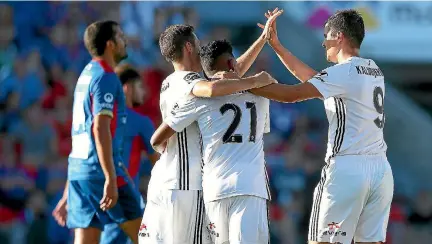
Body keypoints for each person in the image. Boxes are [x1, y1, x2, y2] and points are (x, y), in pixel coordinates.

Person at [244, 8, 393, 244]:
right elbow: (314, 79)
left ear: (339, 36)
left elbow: (292, 95)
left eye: (326, 35)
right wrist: (278, 47)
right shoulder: (372, 68)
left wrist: (242, 85)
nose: (323, 43)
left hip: (347, 168)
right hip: (380, 171)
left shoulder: (343, 72)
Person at [139, 14, 280, 244]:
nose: (200, 44)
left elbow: (230, 77)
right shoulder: (192, 86)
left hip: (165, 181)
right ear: (188, 46)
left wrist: (262, 40)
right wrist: (256, 81)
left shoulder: (171, 81)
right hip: (186, 184)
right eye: (197, 41)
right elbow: (216, 88)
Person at [51, 20, 142, 244]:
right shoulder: (107, 77)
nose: (125, 40)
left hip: (80, 174)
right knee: (150, 236)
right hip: (103, 174)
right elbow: (99, 128)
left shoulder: (85, 75)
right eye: (121, 36)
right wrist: (111, 177)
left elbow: (79, 136)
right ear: (110, 44)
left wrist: (69, 189)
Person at [100, 64, 160, 244]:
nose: (144, 92)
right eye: (140, 86)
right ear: (127, 88)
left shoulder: (101, 119)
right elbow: (159, 164)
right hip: (122, 192)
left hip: (97, 189)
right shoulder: (141, 122)